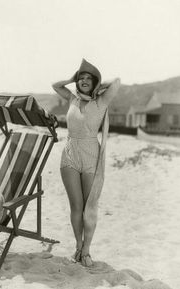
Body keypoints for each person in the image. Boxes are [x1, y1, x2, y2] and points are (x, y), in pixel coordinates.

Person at [52, 59, 120, 267]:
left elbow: (117, 82)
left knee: (89, 208)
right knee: (76, 206)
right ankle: (78, 247)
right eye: (80, 78)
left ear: (94, 83)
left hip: (91, 155)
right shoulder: (72, 98)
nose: (83, 81)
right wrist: (71, 78)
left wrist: (99, 84)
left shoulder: (101, 102)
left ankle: (87, 251)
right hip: (70, 154)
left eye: (87, 79)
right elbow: (55, 86)